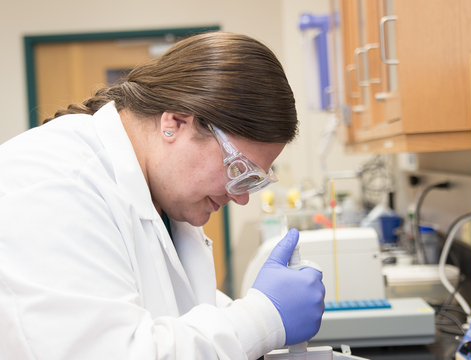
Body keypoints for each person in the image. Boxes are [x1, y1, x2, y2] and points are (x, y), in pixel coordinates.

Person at [0, 31, 325, 360]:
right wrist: (261, 317)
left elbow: (168, 307)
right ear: (175, 122)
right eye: (238, 170)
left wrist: (249, 309)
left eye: (253, 180)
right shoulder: (56, 184)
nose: (241, 198)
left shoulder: (161, 195)